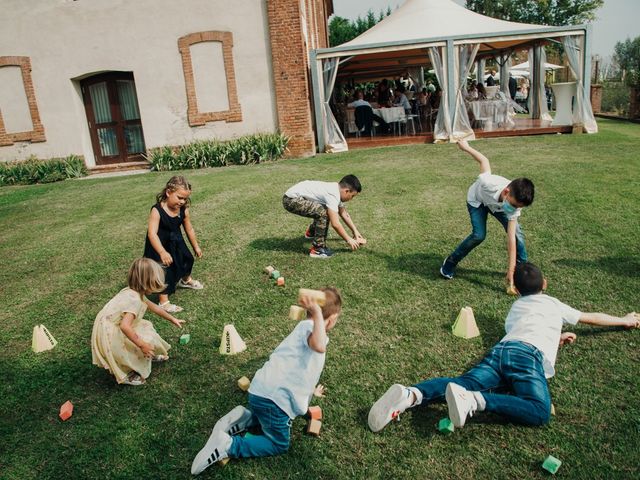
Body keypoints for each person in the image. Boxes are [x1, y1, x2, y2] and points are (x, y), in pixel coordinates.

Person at [368, 262, 640, 433]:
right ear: (544, 284)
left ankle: (411, 394)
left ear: (518, 291)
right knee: (538, 410)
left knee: (464, 382)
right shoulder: (554, 304)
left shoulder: (516, 307)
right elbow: (590, 318)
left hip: (503, 351)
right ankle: (475, 401)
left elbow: (523, 331)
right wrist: (624, 321)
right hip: (526, 355)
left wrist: (555, 337)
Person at [191, 288, 343, 474]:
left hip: (260, 392)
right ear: (333, 318)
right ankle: (228, 445)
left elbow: (300, 371)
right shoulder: (312, 331)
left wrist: (312, 392)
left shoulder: (303, 327)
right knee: (278, 443)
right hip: (274, 402)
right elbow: (318, 345)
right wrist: (319, 314)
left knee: (267, 417)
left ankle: (247, 417)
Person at [440, 140, 534, 290]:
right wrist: (466, 147)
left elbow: (510, 239)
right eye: (515, 205)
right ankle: (451, 261)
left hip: (498, 207)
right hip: (477, 201)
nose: (516, 209)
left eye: (519, 207)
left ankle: (521, 272)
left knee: (517, 235)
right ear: (506, 192)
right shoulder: (488, 183)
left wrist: (511, 269)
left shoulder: (513, 207)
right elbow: (484, 160)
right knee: (479, 235)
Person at [91, 258, 185, 386]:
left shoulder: (135, 292)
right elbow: (125, 327)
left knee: (146, 331)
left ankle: (148, 354)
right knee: (126, 350)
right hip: (111, 331)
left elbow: (155, 307)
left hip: (116, 324)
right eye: (155, 283)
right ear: (146, 282)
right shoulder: (134, 300)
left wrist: (172, 318)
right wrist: (142, 345)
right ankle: (128, 374)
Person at [143, 176, 203, 313]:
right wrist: (162, 252)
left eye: (185, 199)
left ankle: (185, 280)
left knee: (188, 259)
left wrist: (196, 246)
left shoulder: (183, 210)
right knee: (165, 271)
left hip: (176, 240)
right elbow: (152, 234)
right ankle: (163, 302)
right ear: (168, 192)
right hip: (159, 244)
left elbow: (189, 229)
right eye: (179, 197)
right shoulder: (157, 210)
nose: (182, 202)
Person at [282, 175, 366, 258]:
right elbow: (335, 224)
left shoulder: (336, 189)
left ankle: (312, 232)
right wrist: (349, 239)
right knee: (324, 213)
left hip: (298, 197)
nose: (351, 199)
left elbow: (344, 213)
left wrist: (355, 231)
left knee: (326, 209)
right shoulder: (333, 194)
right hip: (291, 200)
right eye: (352, 196)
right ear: (346, 191)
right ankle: (317, 249)